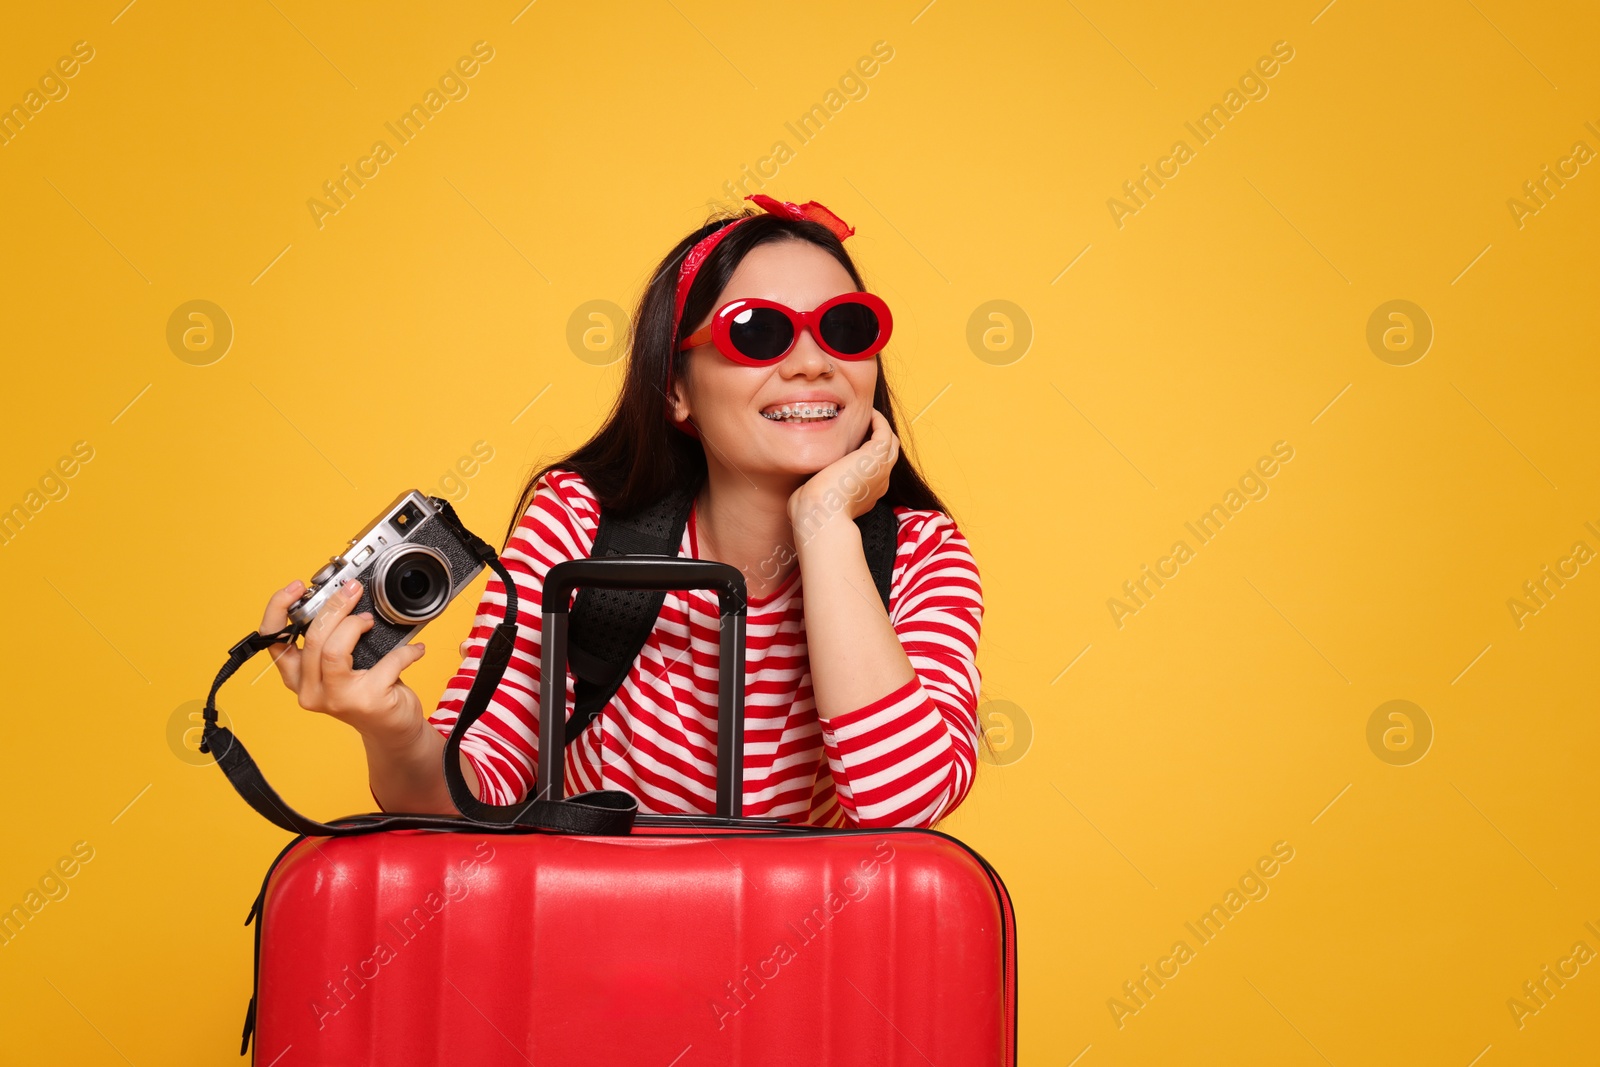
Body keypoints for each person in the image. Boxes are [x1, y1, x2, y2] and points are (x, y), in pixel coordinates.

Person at [258, 195, 984, 829]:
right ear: (677, 389)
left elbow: (903, 802)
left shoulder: (921, 555)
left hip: (799, 969)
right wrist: (390, 731)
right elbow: (485, 788)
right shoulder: (579, 524)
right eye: (759, 331)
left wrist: (827, 521)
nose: (813, 362)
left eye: (846, 329)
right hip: (592, 957)